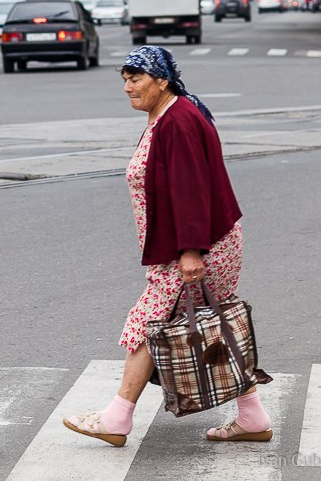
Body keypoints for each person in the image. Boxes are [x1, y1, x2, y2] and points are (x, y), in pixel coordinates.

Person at [62, 45, 272, 448]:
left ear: (162, 80)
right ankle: (252, 415)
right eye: (125, 79)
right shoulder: (168, 114)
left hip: (195, 249)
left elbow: (190, 188)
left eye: (136, 78)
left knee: (148, 325)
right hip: (197, 245)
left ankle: (116, 418)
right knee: (211, 326)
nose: (128, 87)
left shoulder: (178, 121)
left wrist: (190, 250)